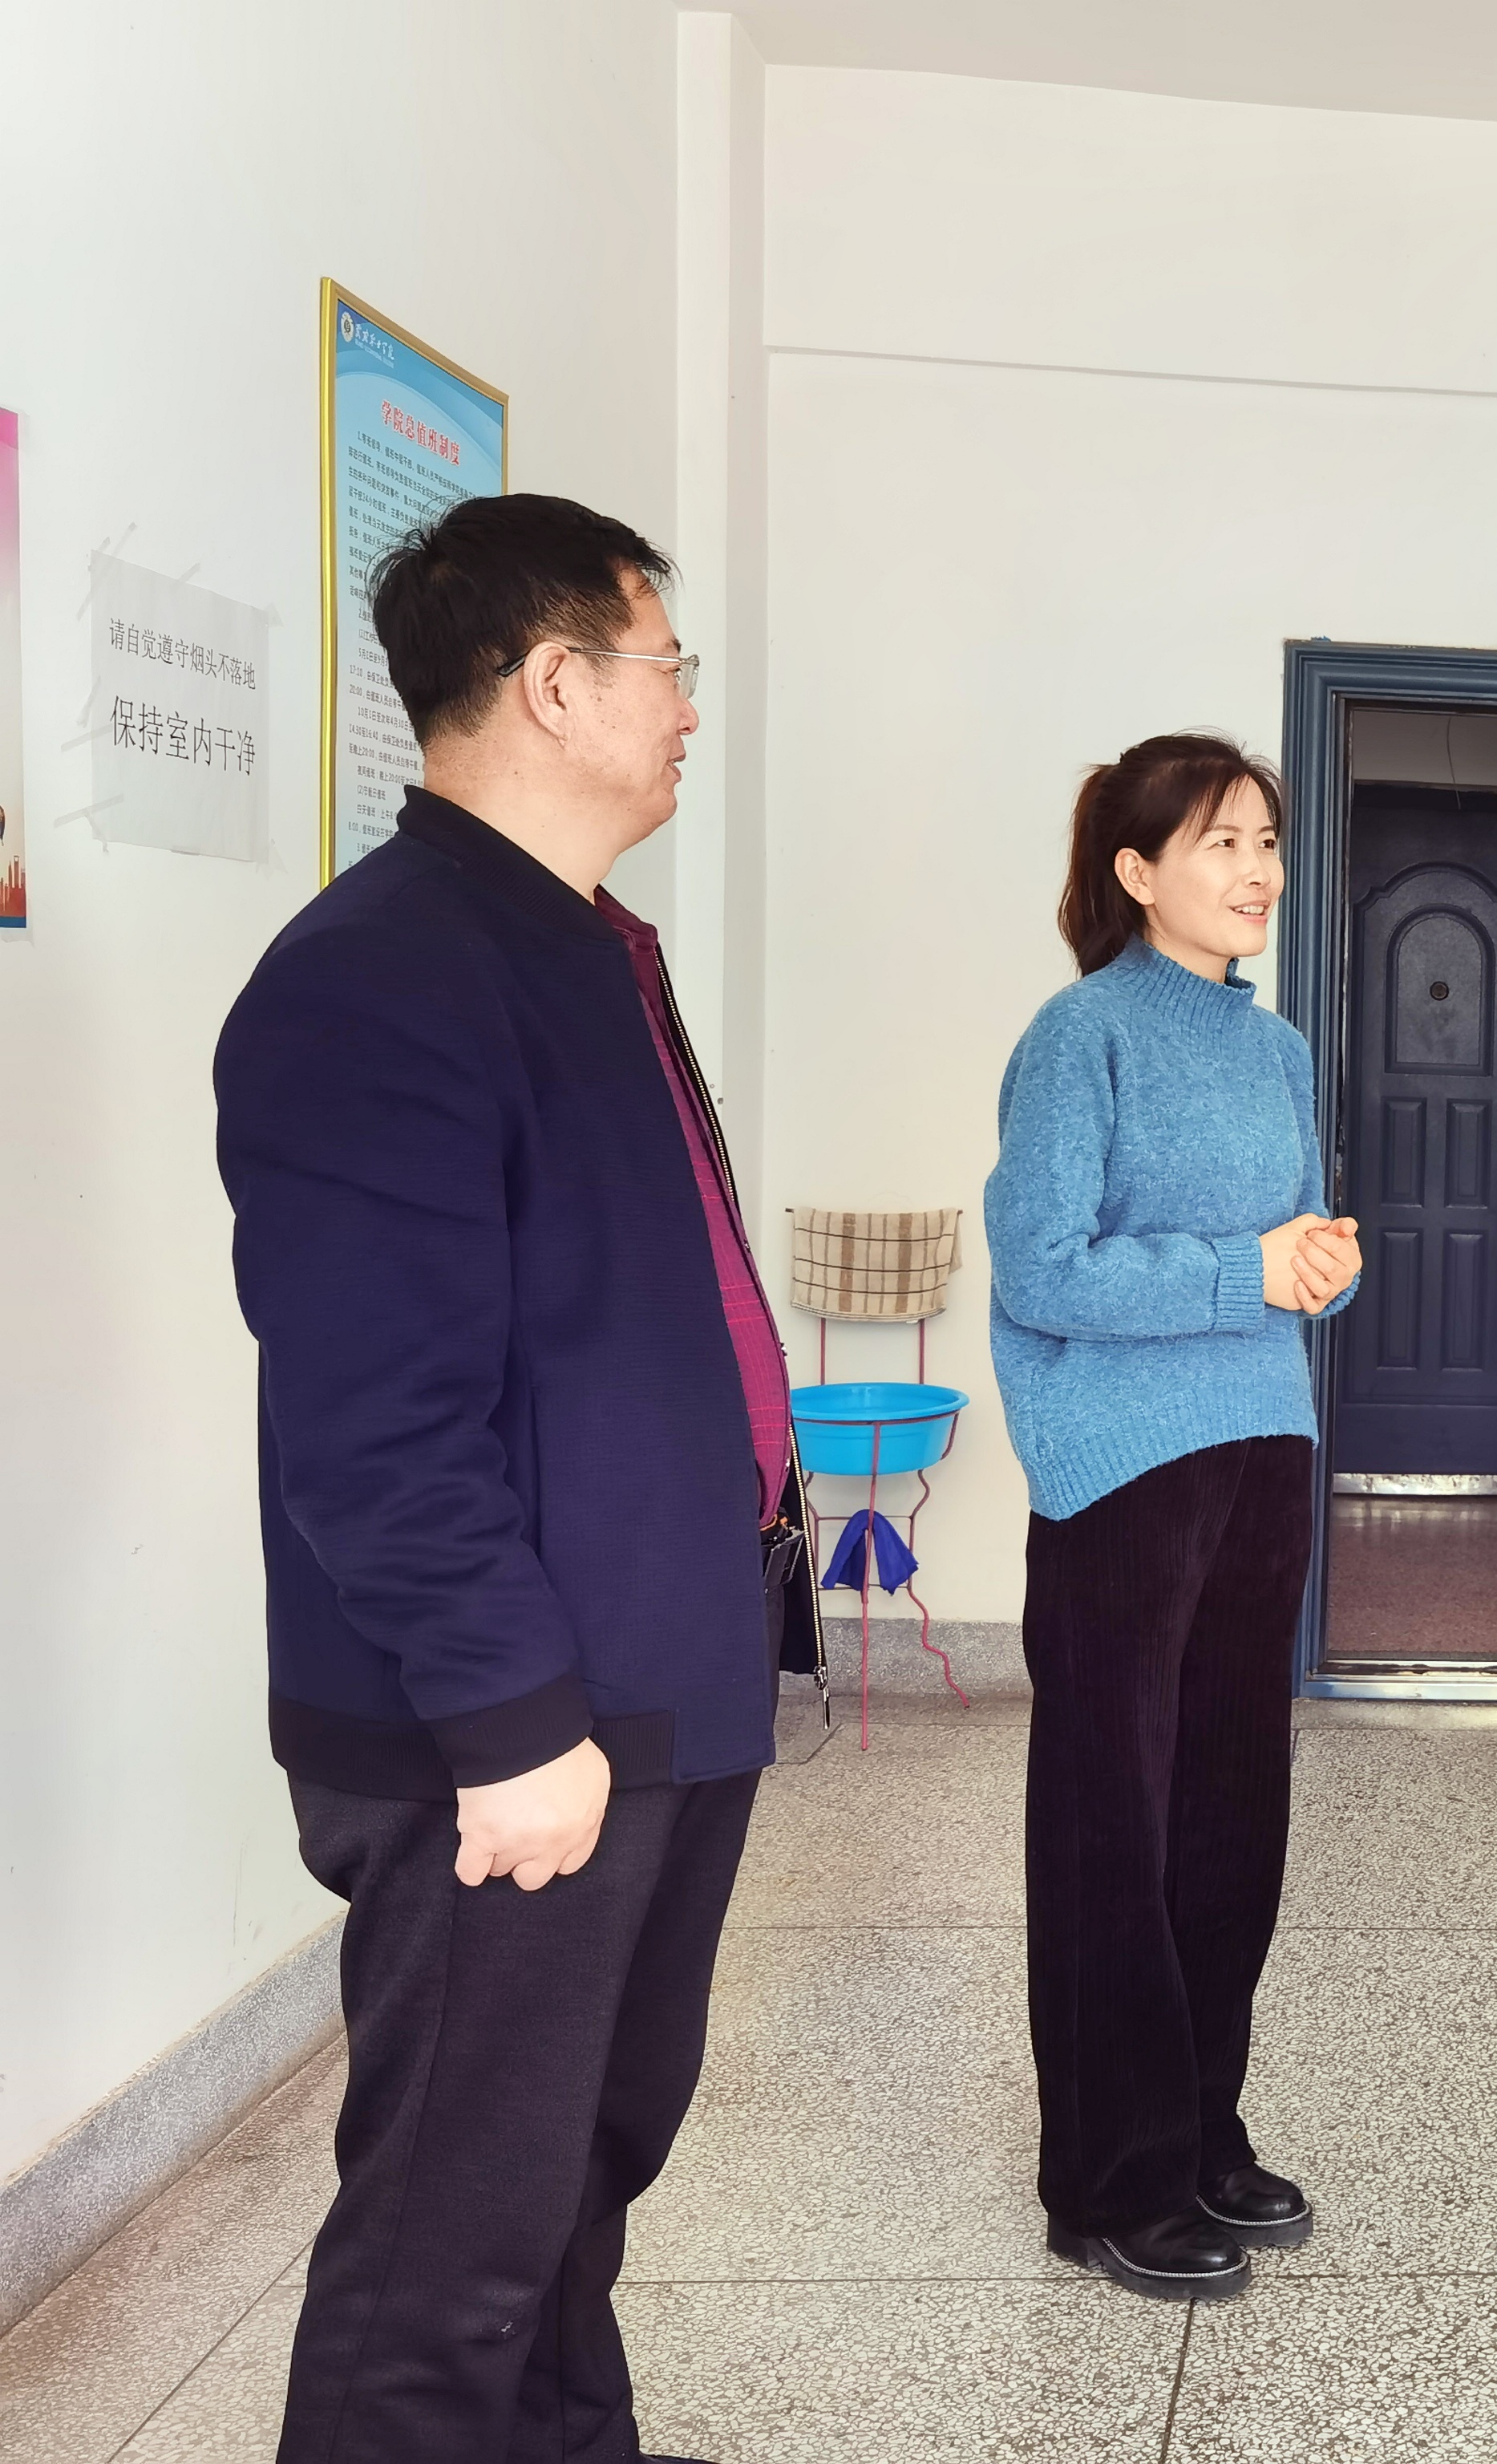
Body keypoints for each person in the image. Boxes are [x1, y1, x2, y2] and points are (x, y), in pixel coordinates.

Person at [215, 493, 807, 2464]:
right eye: (666, 664)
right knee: (448, 2240)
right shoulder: (382, 973)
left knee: (577, 2176)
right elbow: (372, 1419)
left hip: (648, 1677)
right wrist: (511, 1717)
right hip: (522, 1727)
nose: (688, 705)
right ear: (558, 682)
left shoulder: (577, 946)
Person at [985, 736, 1361, 2304]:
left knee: (1227, 1816)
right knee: (1112, 1829)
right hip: (1120, 1470)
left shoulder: (1274, 1048)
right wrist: (1239, 1271)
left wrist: (1317, 1265)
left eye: (1265, 840)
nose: (1257, 869)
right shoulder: (1079, 1036)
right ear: (1136, 871)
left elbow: (1284, 1244)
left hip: (1260, 1450)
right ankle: (1108, 2179)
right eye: (1221, 842)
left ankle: (1203, 2128)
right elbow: (1039, 1269)